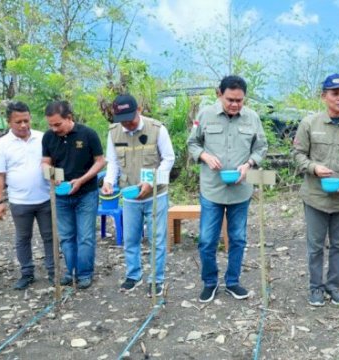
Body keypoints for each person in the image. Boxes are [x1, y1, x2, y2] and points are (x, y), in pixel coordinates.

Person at [187, 75, 267, 303]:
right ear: (219, 94)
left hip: (241, 191)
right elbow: (193, 143)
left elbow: (261, 147)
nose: (235, 104)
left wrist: (249, 164)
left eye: (239, 100)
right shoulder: (205, 115)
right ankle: (210, 283)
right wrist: (204, 156)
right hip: (212, 189)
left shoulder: (252, 118)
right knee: (207, 240)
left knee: (238, 238)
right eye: (230, 99)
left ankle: (233, 282)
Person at [293, 73, 339, 306]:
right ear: (324, 96)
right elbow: (297, 155)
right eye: (335, 94)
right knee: (315, 246)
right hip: (315, 196)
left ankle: (334, 286)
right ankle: (315, 287)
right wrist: (314, 168)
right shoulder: (309, 124)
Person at [101, 94, 175, 296]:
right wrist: (108, 181)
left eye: (130, 118)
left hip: (156, 195)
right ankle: (133, 275)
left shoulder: (157, 129)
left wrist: (152, 181)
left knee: (156, 238)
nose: (127, 124)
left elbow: (168, 159)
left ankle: (156, 279)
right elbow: (113, 162)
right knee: (130, 238)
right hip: (129, 194)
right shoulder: (114, 133)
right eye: (122, 119)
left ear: (139, 110)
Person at [0, 101, 54, 290]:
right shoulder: (2, 145)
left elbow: (51, 163)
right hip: (19, 201)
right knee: (23, 238)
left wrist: (56, 181)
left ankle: (53, 271)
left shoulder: (44, 138)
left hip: (45, 198)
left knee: (50, 236)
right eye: (18, 122)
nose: (24, 125)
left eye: (26, 120)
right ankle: (27, 273)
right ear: (9, 122)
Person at [41, 101, 105, 289]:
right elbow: (45, 162)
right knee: (67, 236)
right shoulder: (48, 138)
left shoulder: (88, 134)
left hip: (86, 193)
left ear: (69, 118)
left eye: (58, 124)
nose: (54, 129)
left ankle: (85, 273)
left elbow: (100, 162)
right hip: (61, 195)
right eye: (50, 125)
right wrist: (52, 176)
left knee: (85, 236)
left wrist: (82, 180)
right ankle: (71, 271)